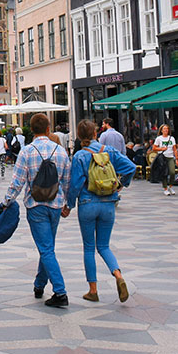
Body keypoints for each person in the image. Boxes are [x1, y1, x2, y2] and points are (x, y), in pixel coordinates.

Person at [0, 113, 71, 308]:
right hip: (56, 205)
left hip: (36, 205)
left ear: (32, 130)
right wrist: (68, 204)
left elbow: (17, 182)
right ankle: (39, 285)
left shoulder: (27, 151)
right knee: (47, 247)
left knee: (46, 248)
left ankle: (60, 291)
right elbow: (67, 180)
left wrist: (6, 202)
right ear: (49, 129)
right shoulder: (60, 150)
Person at [63, 120, 137, 303]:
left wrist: (69, 205)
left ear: (80, 136)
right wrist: (121, 185)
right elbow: (131, 167)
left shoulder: (80, 156)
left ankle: (93, 291)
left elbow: (75, 185)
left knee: (89, 248)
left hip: (88, 203)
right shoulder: (109, 151)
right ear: (95, 134)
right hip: (108, 204)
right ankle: (118, 275)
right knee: (104, 246)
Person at [152, 124, 177, 196]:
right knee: (164, 173)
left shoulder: (172, 138)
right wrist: (161, 149)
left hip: (170, 157)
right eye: (164, 129)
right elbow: (154, 148)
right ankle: (165, 188)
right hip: (162, 157)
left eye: (167, 129)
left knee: (172, 172)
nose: (166, 130)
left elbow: (174, 149)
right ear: (161, 130)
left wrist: (176, 158)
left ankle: (171, 186)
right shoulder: (159, 138)